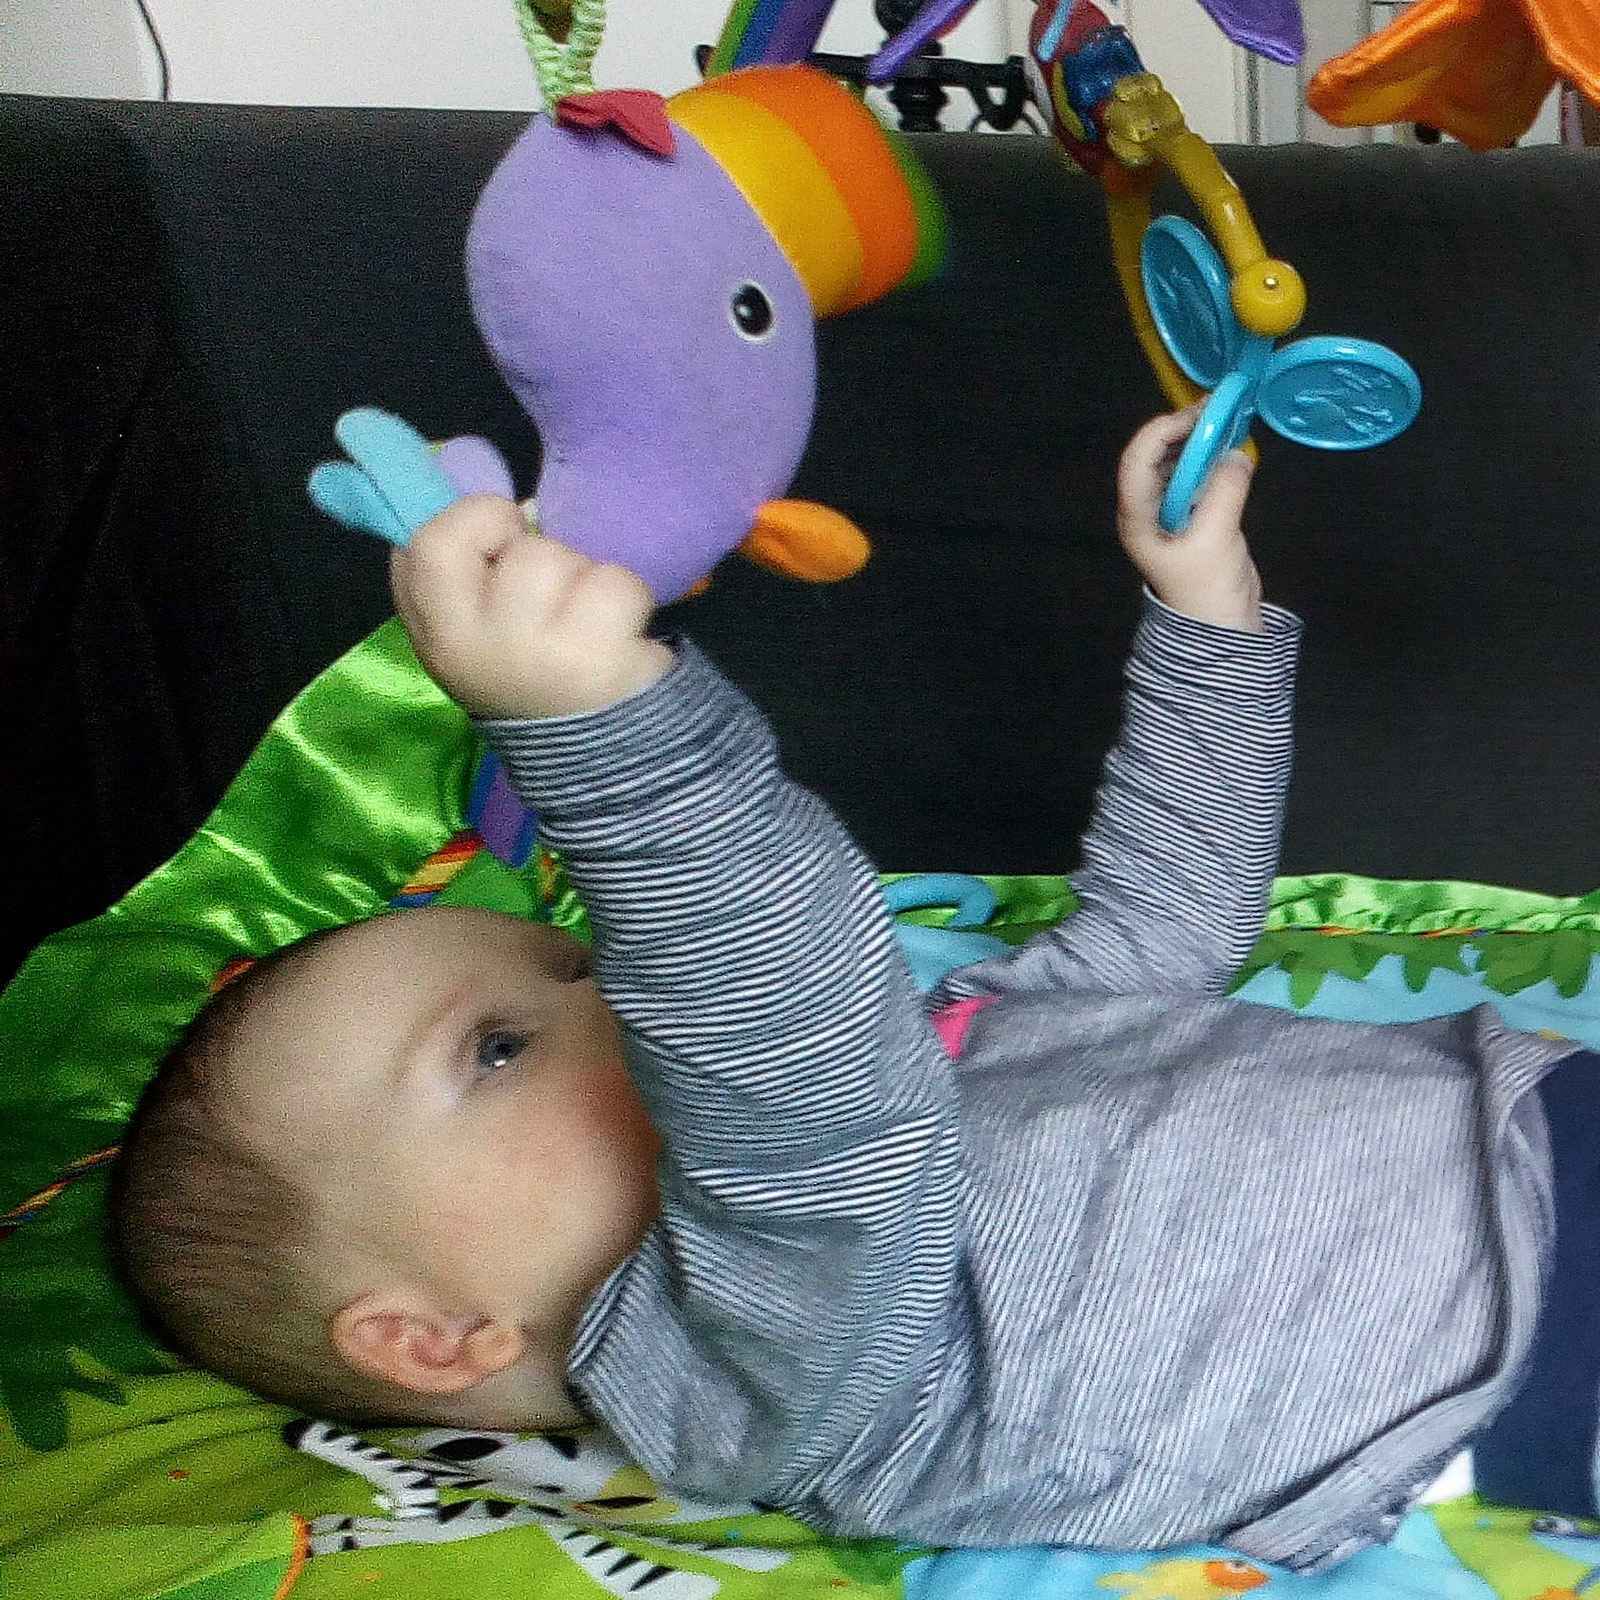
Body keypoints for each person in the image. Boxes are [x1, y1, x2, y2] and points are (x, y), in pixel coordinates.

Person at [111, 410, 1582, 1573]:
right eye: (495, 1051)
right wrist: (612, 751)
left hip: (1531, 1110)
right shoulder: (734, 1370)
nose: (618, 996)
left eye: (573, 966)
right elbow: (796, 1092)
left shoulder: (944, 1045)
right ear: (435, 1338)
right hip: (1520, 1333)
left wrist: (1209, 627)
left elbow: (1164, 926)